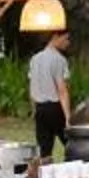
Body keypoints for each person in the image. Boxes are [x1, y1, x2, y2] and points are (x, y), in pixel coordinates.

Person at [27, 28, 72, 165]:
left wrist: (34, 110)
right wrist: (68, 118)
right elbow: (62, 90)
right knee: (73, 145)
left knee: (45, 151)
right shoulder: (59, 60)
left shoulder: (35, 59)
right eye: (66, 39)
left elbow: (31, 88)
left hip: (40, 109)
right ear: (55, 37)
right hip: (55, 108)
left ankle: (46, 176)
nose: (68, 43)